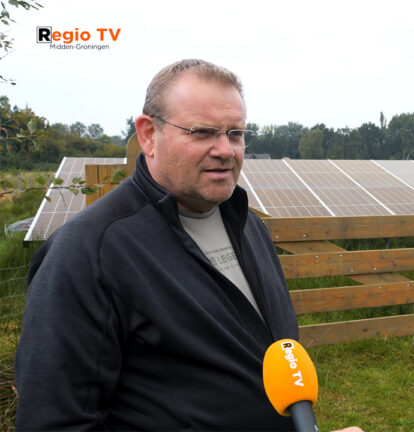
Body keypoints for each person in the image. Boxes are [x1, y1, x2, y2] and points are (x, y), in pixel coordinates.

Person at [14, 59, 300, 430]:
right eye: (202, 132)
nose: (226, 150)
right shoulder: (88, 254)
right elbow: (54, 422)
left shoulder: (249, 226)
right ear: (148, 135)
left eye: (236, 133)